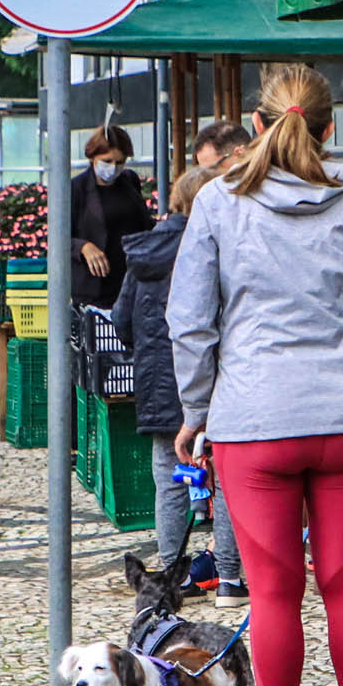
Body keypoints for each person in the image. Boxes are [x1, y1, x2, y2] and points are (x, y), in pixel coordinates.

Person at [169, 64, 343, 686]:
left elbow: (191, 322)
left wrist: (196, 411)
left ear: (257, 123)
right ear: (330, 127)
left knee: (272, 592)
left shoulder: (218, 203)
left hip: (255, 418)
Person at [113, 168, 246, 604]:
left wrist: (150, 358)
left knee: (169, 481)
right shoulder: (218, 243)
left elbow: (120, 318)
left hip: (159, 384)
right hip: (217, 379)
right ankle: (228, 578)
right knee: (226, 478)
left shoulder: (146, 250)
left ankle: (173, 577)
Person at [68, 124, 155, 309]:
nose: (113, 168)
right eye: (107, 161)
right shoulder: (75, 189)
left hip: (129, 280)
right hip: (93, 288)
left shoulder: (129, 181)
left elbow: (142, 224)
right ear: (92, 157)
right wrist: (83, 247)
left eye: (120, 162)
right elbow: (57, 238)